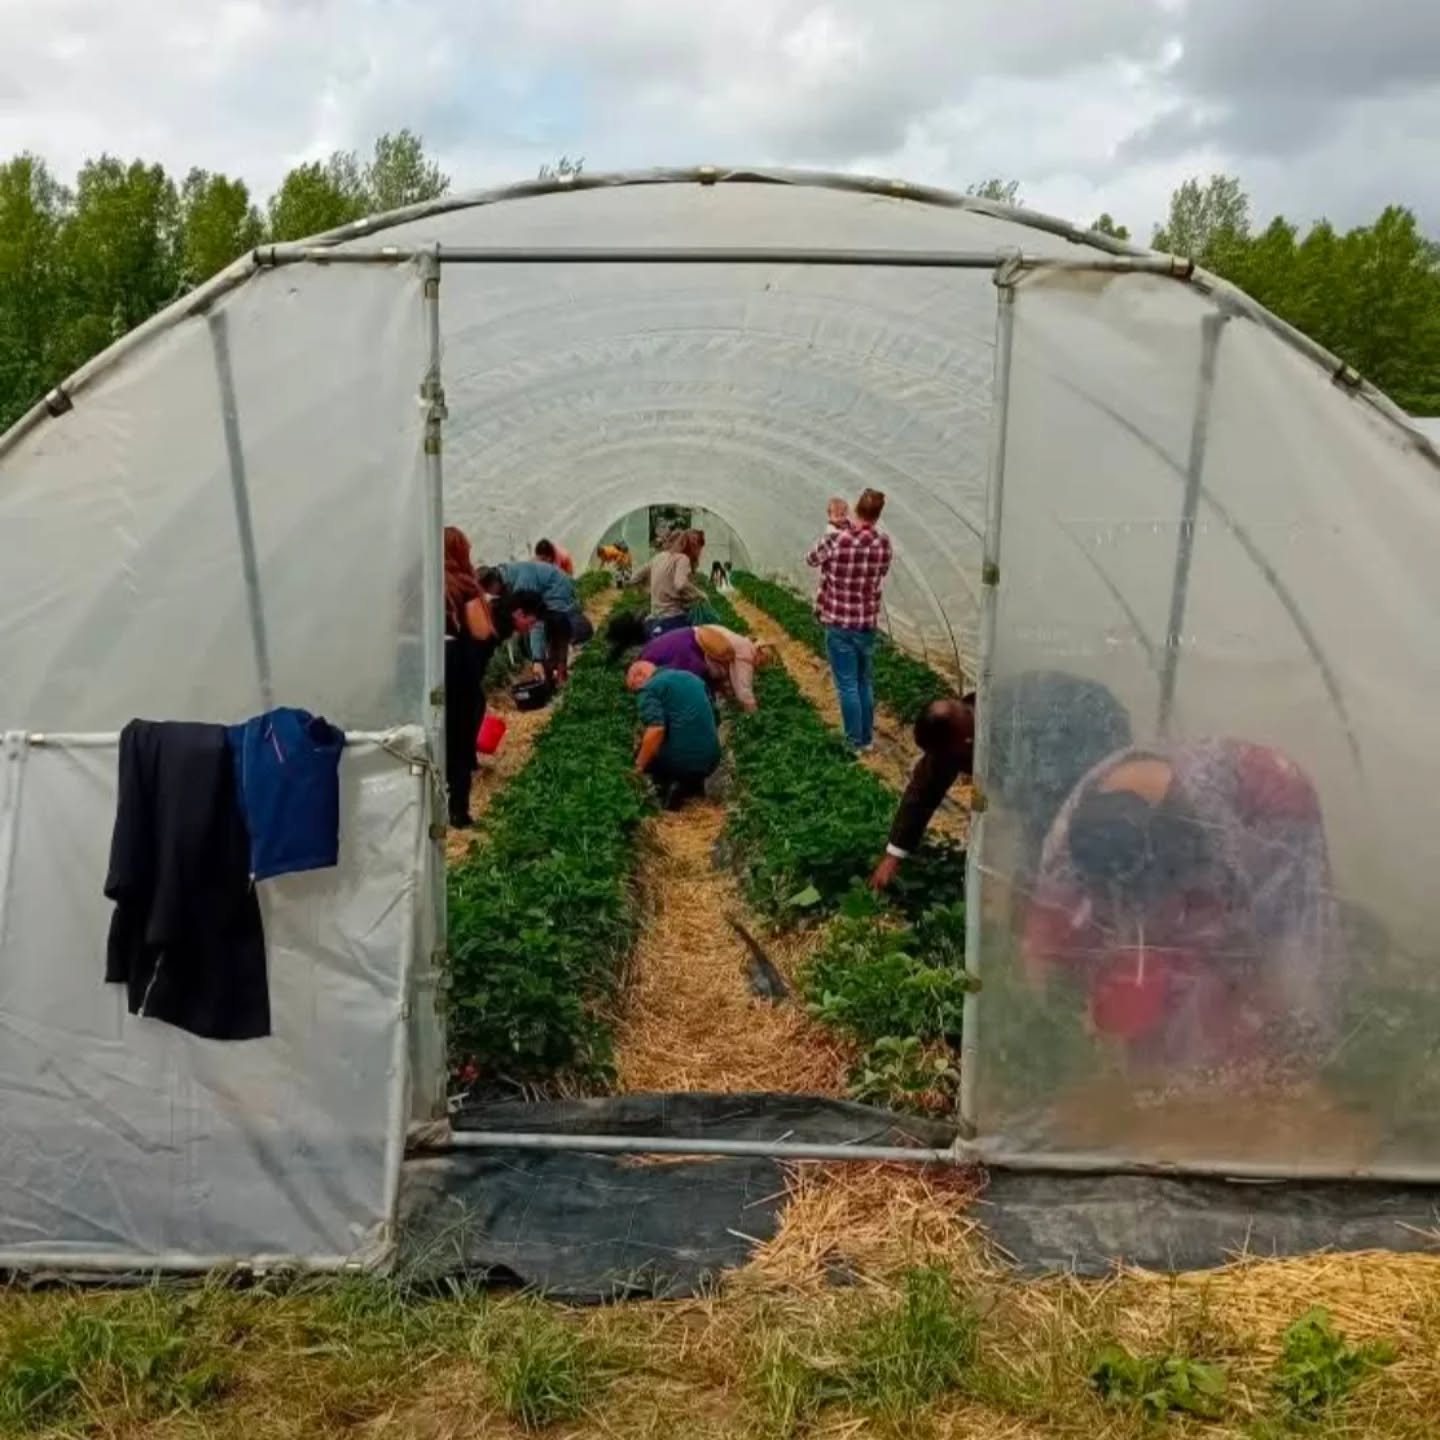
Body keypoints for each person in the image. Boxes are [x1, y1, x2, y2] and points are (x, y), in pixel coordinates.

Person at [1023, 738, 1343, 1071]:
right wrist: (1062, 1013)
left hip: (1274, 804)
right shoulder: (1069, 843)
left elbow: (1234, 937)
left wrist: (1242, 1007)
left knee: (1277, 960)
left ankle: (1305, 1058)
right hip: (1171, 823)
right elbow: (1043, 937)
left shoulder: (1209, 834)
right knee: (1153, 950)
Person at [806, 488, 892, 751]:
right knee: (864, 681)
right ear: (878, 515)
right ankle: (867, 740)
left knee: (847, 685)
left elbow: (810, 559)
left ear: (856, 510)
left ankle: (854, 742)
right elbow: (884, 569)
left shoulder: (836, 539)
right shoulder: (883, 542)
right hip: (866, 624)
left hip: (839, 624)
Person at [870, 696, 975, 890]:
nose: (944, 759)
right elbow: (923, 792)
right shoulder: (956, 736)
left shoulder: (1013, 721)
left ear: (964, 740)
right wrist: (894, 855)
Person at [443, 527, 499, 828]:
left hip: (420, 668)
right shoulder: (463, 586)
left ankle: (426, 805)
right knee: (460, 736)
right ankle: (458, 811)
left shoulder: (415, 583)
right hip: (455, 669)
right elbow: (479, 631)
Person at [626, 660, 722, 809]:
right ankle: (693, 789)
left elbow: (656, 730)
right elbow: (716, 717)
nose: (636, 692)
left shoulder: (650, 688)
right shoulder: (691, 676)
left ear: (640, 674)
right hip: (713, 758)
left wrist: (638, 767)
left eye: (633, 687)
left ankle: (663, 799)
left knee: (644, 754)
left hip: (684, 761)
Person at [482, 557, 594, 685]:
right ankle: (552, 669)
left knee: (559, 629)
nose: (491, 595)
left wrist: (537, 660)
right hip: (546, 598)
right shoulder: (505, 576)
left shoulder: (522, 584)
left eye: (488, 591)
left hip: (557, 593)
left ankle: (560, 669)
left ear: (493, 583)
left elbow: (536, 622)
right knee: (535, 637)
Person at [632, 530, 705, 637]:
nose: (700, 553)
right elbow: (680, 584)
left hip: (652, 621)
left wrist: (645, 590)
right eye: (700, 548)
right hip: (673, 621)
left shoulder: (658, 557)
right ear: (694, 546)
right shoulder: (683, 558)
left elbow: (634, 578)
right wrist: (700, 594)